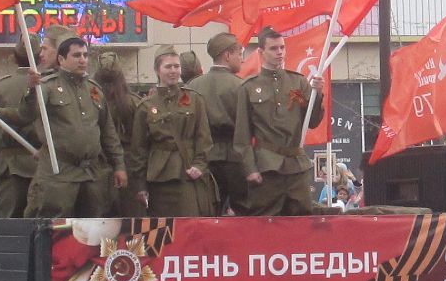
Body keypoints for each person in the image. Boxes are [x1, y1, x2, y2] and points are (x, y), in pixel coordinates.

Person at [20, 35, 128, 219]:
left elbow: (108, 132)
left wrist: (119, 165)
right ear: (61, 59)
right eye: (77, 55)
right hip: (59, 174)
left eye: (85, 55)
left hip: (92, 174)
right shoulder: (47, 86)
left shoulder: (94, 89)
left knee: (92, 231)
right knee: (54, 230)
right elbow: (27, 114)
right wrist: (31, 90)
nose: (83, 60)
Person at [233, 28, 325, 217]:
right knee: (265, 222)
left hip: (296, 166)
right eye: (274, 48)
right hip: (266, 168)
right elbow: (242, 136)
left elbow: (313, 121)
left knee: (302, 220)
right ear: (261, 52)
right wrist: (250, 169)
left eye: (282, 48)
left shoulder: (298, 82)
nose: (279, 52)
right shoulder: (249, 87)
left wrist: (318, 94)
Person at [126, 47, 215, 217]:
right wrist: (140, 186)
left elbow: (203, 137)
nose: (173, 71)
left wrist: (199, 164)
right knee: (162, 229)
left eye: (176, 66)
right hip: (159, 176)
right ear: (157, 70)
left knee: (189, 226)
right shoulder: (146, 106)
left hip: (188, 173)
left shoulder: (194, 100)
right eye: (168, 67)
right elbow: (139, 149)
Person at [0, 34, 42, 218]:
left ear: (14, 57)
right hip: (45, 168)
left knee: (10, 227)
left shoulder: (0, 88)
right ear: (40, 57)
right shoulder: (51, 83)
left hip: (10, 169)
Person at [189, 31, 249, 215]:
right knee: (244, 214)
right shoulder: (241, 86)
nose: (242, 59)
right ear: (227, 55)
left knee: (208, 213)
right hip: (236, 158)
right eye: (240, 54)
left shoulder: (192, 86)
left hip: (203, 160)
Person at [92, 56, 144, 219]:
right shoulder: (134, 102)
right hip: (129, 165)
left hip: (98, 164)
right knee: (131, 217)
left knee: (100, 216)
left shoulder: (90, 101)